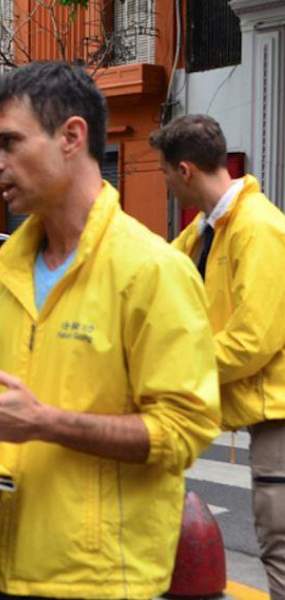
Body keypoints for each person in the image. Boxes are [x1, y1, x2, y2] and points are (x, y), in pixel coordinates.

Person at [0, 61, 221, 600]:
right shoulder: (3, 274)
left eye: (9, 142)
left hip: (99, 581)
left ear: (71, 136)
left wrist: (47, 423)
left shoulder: (152, 271)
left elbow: (181, 432)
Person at [152, 114, 285, 599]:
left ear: (184, 170)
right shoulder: (208, 230)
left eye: (164, 173)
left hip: (279, 416)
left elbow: (252, 340)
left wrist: (177, 367)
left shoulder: (258, 228)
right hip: (257, 411)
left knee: (279, 545)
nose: (165, 184)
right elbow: (158, 266)